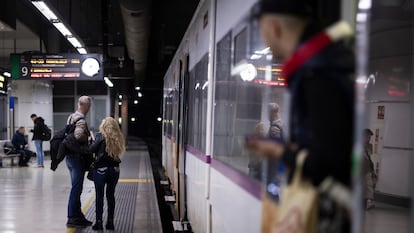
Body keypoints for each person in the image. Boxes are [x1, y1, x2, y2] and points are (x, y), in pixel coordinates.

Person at [247, 0, 354, 231]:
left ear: (274, 28)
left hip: (325, 217)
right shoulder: (322, 64)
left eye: (261, 31)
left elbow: (325, 164)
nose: (264, 39)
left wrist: (279, 151)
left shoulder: (316, 74)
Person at [89, 117, 125, 230]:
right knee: (111, 196)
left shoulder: (100, 135)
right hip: (114, 170)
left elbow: (91, 149)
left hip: (100, 170)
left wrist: (91, 140)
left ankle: (99, 222)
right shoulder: (118, 137)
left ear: (103, 126)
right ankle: (110, 223)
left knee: (99, 196)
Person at [65, 96, 93, 227]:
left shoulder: (71, 117)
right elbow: (78, 135)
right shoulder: (81, 121)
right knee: (76, 188)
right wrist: (87, 137)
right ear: (87, 106)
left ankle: (78, 215)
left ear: (78, 105)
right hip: (76, 158)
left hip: (69, 157)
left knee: (77, 187)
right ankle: (72, 217)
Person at [363, 128, 376, 210]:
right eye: (367, 136)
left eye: (369, 137)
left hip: (367, 169)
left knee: (369, 185)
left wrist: (373, 171)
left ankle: (369, 202)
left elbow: (369, 158)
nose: (368, 138)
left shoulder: (370, 146)